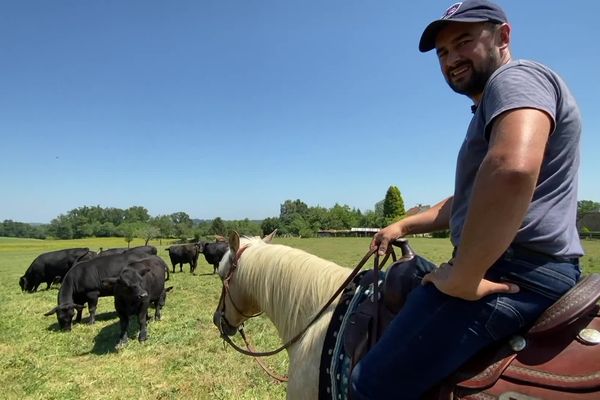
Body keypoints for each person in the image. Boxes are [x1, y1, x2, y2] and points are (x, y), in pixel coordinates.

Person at [349, 0, 583, 398]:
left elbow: (512, 168)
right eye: (443, 52)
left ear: (503, 36)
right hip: (537, 267)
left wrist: (464, 275)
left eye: (464, 41)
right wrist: (402, 225)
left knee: (368, 384)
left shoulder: (516, 79)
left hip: (515, 269)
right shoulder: (491, 106)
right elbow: (468, 199)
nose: (451, 58)